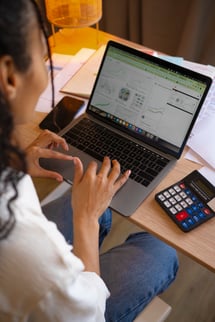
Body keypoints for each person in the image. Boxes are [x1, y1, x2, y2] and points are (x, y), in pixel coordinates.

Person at [0, 1, 179, 321]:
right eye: (44, 56)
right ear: (9, 76)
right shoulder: (17, 238)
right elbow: (89, 315)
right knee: (160, 252)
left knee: (101, 212)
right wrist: (86, 220)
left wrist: (13, 164)